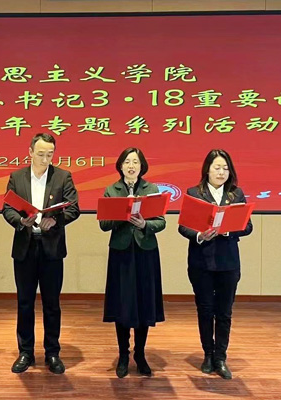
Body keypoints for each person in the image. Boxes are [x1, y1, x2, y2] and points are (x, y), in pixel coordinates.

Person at [2, 133, 80, 374]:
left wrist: (55, 220)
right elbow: (7, 208)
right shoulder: (17, 177)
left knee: (52, 303)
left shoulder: (63, 177)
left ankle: (52, 353)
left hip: (51, 249)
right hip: (25, 247)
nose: (45, 159)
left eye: (49, 154)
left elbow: (74, 209)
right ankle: (25, 352)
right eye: (40, 154)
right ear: (30, 152)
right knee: (25, 302)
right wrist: (20, 221)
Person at [178, 149, 253, 380]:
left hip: (228, 262)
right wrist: (200, 235)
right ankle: (208, 355)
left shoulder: (236, 194)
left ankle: (221, 357)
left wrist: (229, 229)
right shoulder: (194, 193)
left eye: (225, 168)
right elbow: (183, 227)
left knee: (224, 312)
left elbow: (248, 226)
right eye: (217, 167)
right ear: (207, 170)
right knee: (205, 309)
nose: (221, 172)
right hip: (201, 262)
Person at [99, 148, 166, 378]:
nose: (131, 166)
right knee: (123, 303)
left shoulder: (151, 189)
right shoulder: (112, 190)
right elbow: (104, 224)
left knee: (144, 302)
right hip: (121, 254)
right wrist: (122, 213)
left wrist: (144, 224)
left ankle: (140, 353)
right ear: (120, 166)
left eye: (135, 162)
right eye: (127, 162)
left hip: (146, 252)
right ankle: (123, 355)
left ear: (142, 166)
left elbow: (161, 222)